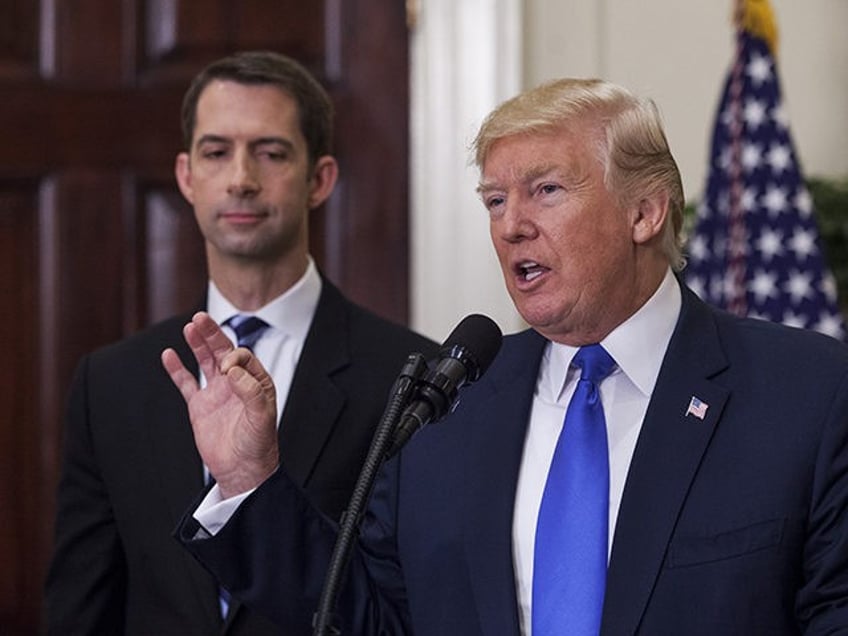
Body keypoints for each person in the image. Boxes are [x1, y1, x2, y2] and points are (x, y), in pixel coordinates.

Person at [166, 78, 848, 634]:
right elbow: (364, 621)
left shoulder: (807, 396)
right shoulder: (448, 410)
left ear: (645, 212)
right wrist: (252, 478)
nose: (511, 224)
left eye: (546, 190)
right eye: (495, 199)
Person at [43, 50, 437, 636]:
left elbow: (410, 608)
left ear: (320, 179)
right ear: (186, 176)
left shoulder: (409, 378)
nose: (241, 179)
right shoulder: (111, 384)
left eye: (271, 152)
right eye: (216, 151)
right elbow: (82, 609)